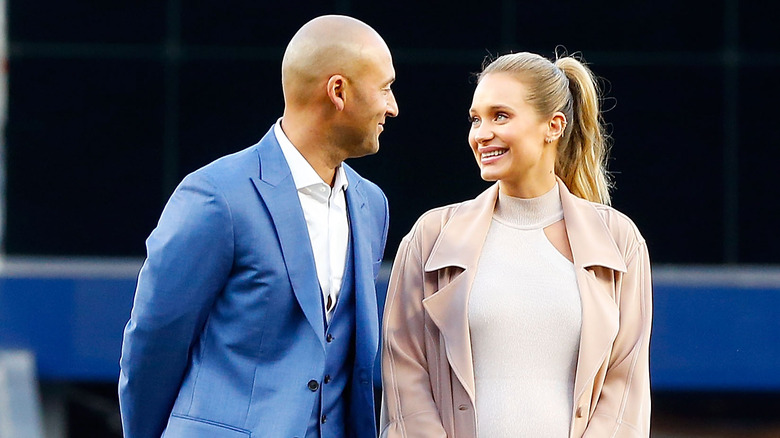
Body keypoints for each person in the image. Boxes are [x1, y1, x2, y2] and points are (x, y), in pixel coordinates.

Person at [119, 15, 398, 438]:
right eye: (385, 88)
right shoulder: (217, 195)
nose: (392, 107)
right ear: (338, 91)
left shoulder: (370, 205)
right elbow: (154, 344)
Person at [380, 51, 651, 437]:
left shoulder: (619, 242)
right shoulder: (431, 237)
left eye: (500, 116)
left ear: (553, 126)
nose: (481, 133)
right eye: (476, 119)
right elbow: (405, 377)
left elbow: (625, 389)